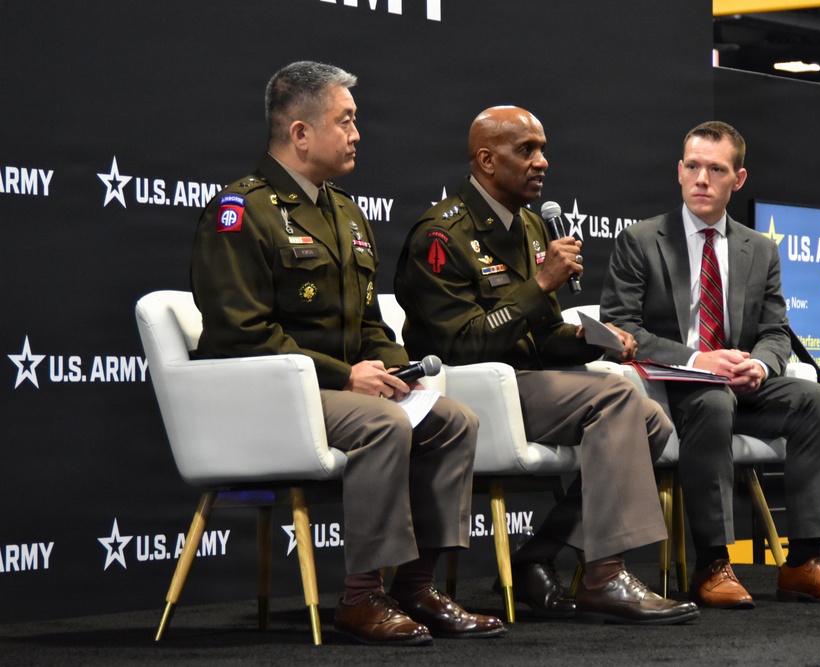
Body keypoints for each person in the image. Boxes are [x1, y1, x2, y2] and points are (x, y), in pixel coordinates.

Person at [190, 61, 506, 646]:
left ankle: (416, 586)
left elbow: (367, 323)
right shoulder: (240, 212)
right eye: (346, 121)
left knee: (453, 420)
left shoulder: (344, 211)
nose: (358, 133)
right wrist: (345, 376)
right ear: (300, 133)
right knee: (384, 423)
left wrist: (392, 365)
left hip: (336, 392)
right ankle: (362, 597)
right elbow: (241, 333)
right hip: (266, 399)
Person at [393, 105, 699, 625]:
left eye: (543, 149)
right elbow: (459, 344)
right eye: (526, 150)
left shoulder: (533, 226)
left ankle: (537, 558)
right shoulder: (440, 235)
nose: (542, 162)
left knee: (651, 419)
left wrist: (591, 341)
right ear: (486, 160)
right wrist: (538, 286)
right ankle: (605, 576)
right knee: (620, 398)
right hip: (468, 391)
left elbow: (537, 335)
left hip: (525, 383)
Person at [600, 120, 820, 608]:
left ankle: (803, 564)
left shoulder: (760, 248)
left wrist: (763, 366)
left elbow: (775, 331)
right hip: (675, 392)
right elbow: (621, 330)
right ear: (679, 171)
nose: (702, 178)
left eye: (716, 168)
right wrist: (697, 359)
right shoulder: (641, 241)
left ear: (738, 179)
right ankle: (713, 565)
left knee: (815, 401)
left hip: (741, 386)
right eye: (693, 167)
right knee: (711, 399)